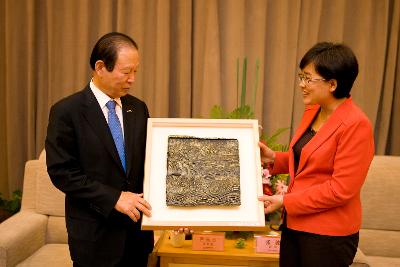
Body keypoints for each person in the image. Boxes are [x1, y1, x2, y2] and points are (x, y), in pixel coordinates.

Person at [258, 42, 374, 267]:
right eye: (301, 77)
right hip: (294, 225)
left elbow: (340, 190)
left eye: (308, 78)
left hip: (328, 236)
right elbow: (308, 161)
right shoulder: (313, 110)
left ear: (332, 84)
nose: (302, 84)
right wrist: (274, 158)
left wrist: (285, 201)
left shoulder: (357, 125)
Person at [45, 32, 154, 267]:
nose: (132, 79)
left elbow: (151, 164)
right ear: (100, 67)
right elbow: (62, 172)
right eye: (126, 72)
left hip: (137, 237)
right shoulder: (67, 112)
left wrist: (173, 212)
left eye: (136, 71)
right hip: (94, 236)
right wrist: (114, 197)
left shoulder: (138, 108)